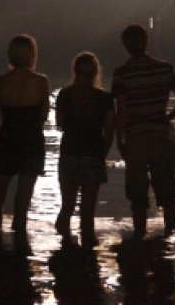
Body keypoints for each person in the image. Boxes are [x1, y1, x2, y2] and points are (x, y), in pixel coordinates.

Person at [111, 24, 175, 238]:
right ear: (147, 42)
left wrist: (120, 141)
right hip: (161, 137)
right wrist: (166, 118)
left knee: (137, 196)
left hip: (135, 138)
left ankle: (139, 238)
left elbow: (122, 112)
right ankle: (171, 236)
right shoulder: (166, 68)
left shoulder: (121, 74)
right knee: (167, 194)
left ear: (125, 46)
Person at [0, 34, 51, 248]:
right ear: (32, 54)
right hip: (31, 141)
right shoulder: (41, 81)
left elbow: (3, 115)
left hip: (8, 139)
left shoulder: (1, 82)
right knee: (22, 201)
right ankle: (19, 245)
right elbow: (43, 116)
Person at [54, 52, 115, 246]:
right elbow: (109, 131)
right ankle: (87, 254)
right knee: (88, 210)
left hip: (70, 153)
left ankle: (63, 249)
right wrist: (102, 154)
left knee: (67, 207)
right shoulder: (105, 98)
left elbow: (60, 124)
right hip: (92, 155)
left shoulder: (64, 95)